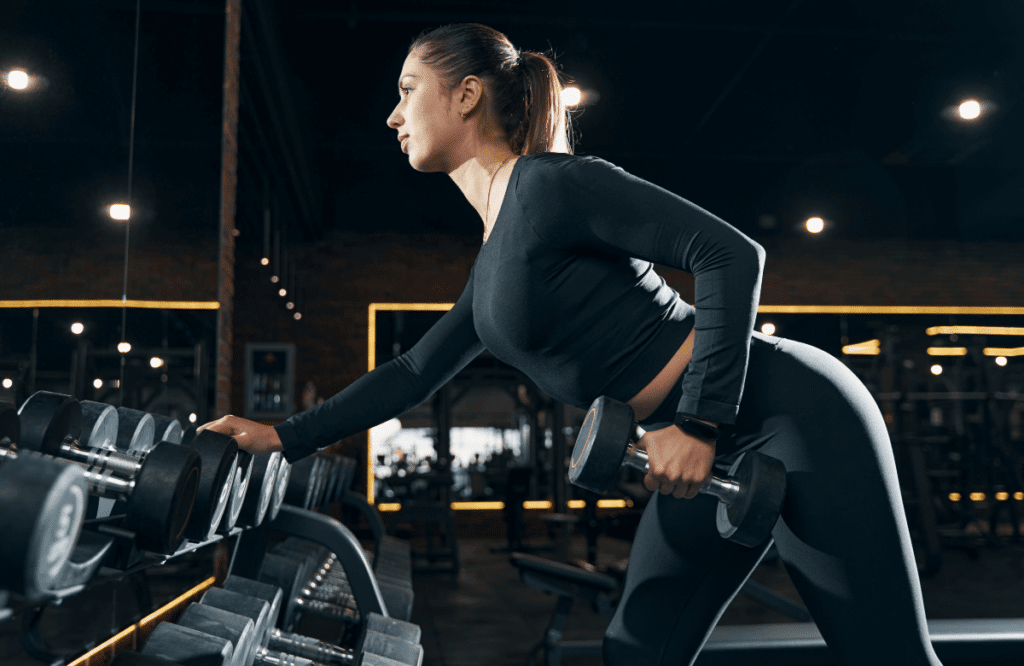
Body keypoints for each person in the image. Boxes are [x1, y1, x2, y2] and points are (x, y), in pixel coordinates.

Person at [199, 23, 943, 666]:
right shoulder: (493, 257)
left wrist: (699, 422)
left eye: (407, 89)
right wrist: (281, 436)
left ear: (464, 95)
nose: (392, 116)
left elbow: (731, 256)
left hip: (786, 410)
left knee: (884, 655)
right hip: (692, 439)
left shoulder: (553, 186)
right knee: (635, 649)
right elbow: (412, 372)